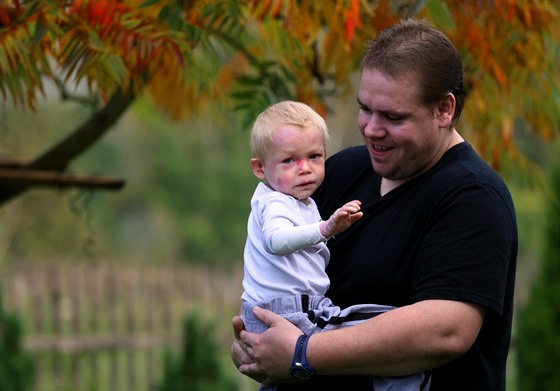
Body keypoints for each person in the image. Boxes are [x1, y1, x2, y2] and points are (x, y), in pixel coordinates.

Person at [231, 18, 518, 391]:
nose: (371, 129)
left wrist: (302, 352)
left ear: (445, 109)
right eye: (365, 109)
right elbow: (275, 257)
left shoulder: (473, 197)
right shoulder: (342, 170)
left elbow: (446, 330)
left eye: (393, 116)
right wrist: (255, 345)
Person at [241, 100, 431, 390]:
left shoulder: (298, 200)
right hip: (290, 310)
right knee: (386, 333)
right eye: (289, 160)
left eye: (314, 156)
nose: (304, 169)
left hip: (283, 310)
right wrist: (325, 229)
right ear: (259, 168)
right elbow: (275, 240)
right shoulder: (275, 201)